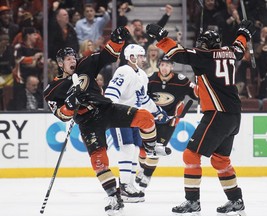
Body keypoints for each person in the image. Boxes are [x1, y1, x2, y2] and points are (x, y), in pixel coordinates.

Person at [43, 27, 167, 216]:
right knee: (99, 161)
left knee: (145, 117)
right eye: (68, 59)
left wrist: (116, 41)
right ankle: (113, 197)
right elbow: (62, 115)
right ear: (60, 63)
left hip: (106, 109)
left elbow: (107, 55)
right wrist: (70, 105)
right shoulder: (52, 89)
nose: (73, 60)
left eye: (73, 57)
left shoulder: (85, 65)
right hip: (87, 121)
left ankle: (150, 147)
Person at [146, 19, 256, 215]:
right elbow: (239, 47)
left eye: (201, 44)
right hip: (233, 115)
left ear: (207, 46)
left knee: (190, 154)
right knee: (221, 160)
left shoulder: (205, 56)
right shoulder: (231, 52)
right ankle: (236, 200)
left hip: (217, 112)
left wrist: (161, 37)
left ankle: (192, 201)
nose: (199, 47)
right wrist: (244, 33)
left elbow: (178, 54)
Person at [105, 44, 170, 203]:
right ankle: (125, 186)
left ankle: (129, 184)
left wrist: (157, 111)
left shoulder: (142, 74)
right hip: (120, 116)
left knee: (134, 149)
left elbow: (144, 99)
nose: (143, 59)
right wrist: (108, 112)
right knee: (127, 148)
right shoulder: (123, 71)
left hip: (134, 116)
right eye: (140, 56)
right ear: (131, 57)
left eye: (142, 56)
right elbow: (111, 94)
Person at [135, 55, 197, 192]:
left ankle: (147, 175)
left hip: (169, 121)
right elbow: (140, 97)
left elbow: (196, 94)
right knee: (143, 149)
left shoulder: (181, 81)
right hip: (149, 120)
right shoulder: (150, 80)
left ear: (172, 67)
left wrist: (201, 85)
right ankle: (142, 168)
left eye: (168, 65)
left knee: (157, 148)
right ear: (159, 66)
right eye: (162, 65)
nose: (165, 68)